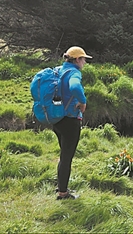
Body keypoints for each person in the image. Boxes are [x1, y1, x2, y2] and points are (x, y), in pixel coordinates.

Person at [55, 46, 91, 200]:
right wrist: (83, 102)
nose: (84, 62)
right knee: (67, 157)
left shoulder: (59, 70)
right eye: (83, 59)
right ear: (77, 60)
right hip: (70, 120)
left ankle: (60, 186)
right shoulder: (74, 73)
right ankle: (63, 193)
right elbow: (75, 86)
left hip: (56, 118)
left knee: (64, 155)